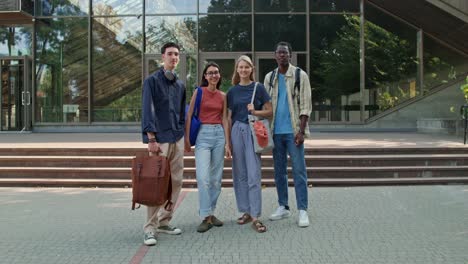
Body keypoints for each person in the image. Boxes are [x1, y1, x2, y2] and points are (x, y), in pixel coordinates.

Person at [141, 42, 186, 246]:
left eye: (176, 54)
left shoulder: (180, 85)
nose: (174, 57)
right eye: (170, 54)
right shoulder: (151, 81)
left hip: (177, 138)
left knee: (175, 182)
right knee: (156, 184)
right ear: (162, 57)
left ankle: (165, 221)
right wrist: (151, 138)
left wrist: (183, 137)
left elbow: (182, 113)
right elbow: (147, 110)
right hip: (159, 140)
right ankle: (150, 228)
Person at [264, 41, 312, 227]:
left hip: (293, 133)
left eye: (285, 53)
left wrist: (301, 131)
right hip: (275, 132)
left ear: (290, 55)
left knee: (299, 171)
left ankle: (302, 210)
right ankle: (283, 206)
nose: (282, 55)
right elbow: (266, 104)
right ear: (275, 56)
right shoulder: (270, 77)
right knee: (279, 172)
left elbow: (306, 106)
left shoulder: (300, 75)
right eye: (279, 53)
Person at [226, 55, 272, 233]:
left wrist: (256, 110)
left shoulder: (258, 88)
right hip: (237, 131)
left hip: (253, 130)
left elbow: (270, 111)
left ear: (252, 69)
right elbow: (229, 118)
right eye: (240, 67)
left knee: (253, 173)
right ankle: (245, 211)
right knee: (240, 174)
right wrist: (228, 142)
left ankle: (256, 215)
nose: (243, 70)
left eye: (247, 67)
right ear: (237, 70)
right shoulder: (232, 91)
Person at [185, 62, 232, 233]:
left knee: (216, 179)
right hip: (203, 135)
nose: (213, 75)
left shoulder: (223, 95)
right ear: (205, 76)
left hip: (219, 135)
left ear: (219, 76)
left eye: (216, 72)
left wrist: (228, 143)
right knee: (203, 177)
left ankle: (210, 214)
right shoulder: (199, 92)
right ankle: (205, 216)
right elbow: (189, 116)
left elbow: (225, 119)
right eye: (210, 73)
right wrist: (187, 140)